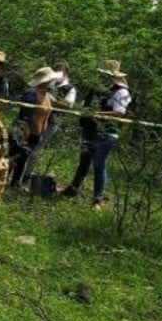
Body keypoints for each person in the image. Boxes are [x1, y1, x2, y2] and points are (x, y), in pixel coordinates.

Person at [60, 60, 133, 209]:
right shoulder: (96, 88)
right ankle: (72, 189)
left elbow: (119, 113)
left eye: (105, 74)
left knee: (99, 165)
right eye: (101, 73)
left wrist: (96, 113)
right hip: (90, 129)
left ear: (113, 76)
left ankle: (97, 200)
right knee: (83, 162)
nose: (101, 76)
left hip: (106, 133)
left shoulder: (121, 91)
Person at [8, 67, 61, 189]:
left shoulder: (47, 95)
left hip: (36, 134)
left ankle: (14, 185)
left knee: (23, 159)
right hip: (24, 132)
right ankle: (3, 181)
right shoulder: (31, 93)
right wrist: (24, 128)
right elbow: (24, 112)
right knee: (14, 157)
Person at [23, 62, 76, 180]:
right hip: (35, 118)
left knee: (36, 149)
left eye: (60, 70)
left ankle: (26, 175)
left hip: (52, 121)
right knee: (25, 145)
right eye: (55, 70)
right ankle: (18, 172)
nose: (57, 72)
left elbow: (68, 105)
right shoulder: (49, 83)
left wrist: (51, 101)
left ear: (66, 73)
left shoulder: (70, 88)